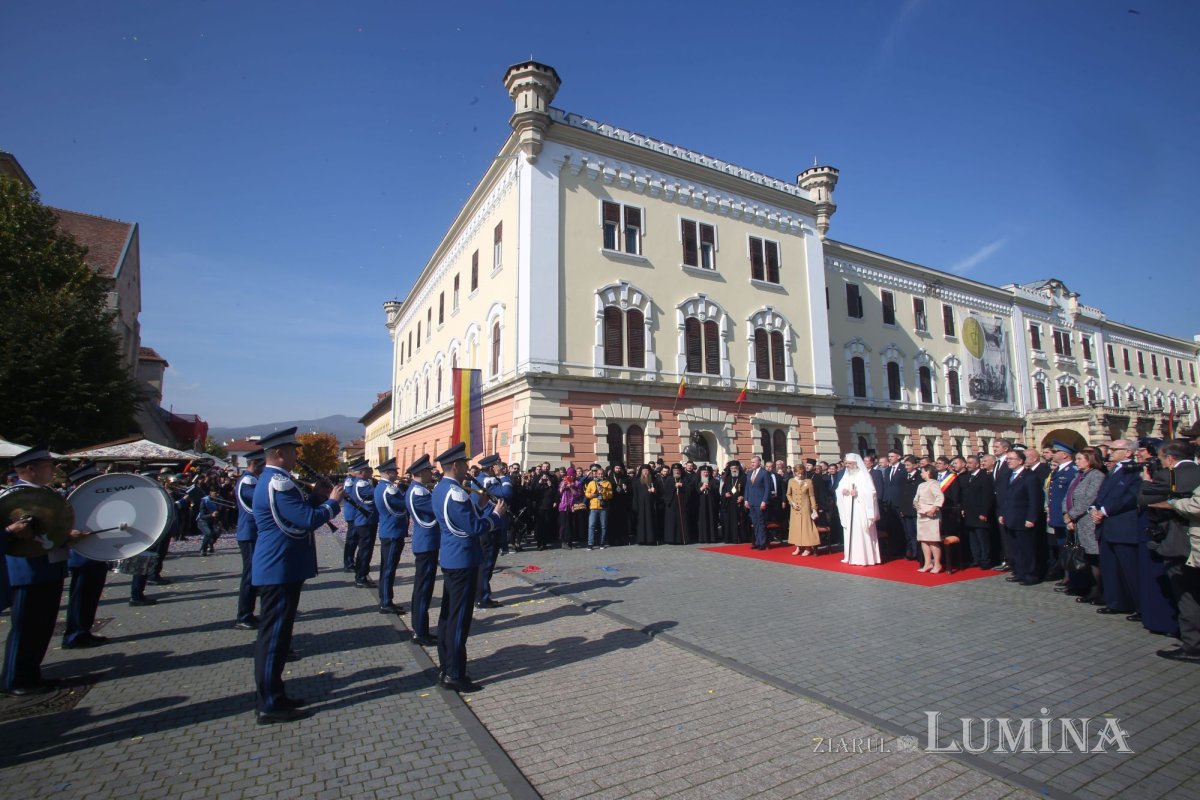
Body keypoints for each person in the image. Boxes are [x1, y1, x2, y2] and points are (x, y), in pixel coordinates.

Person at [251, 427, 345, 724]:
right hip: (279, 566)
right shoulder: (278, 482)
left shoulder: (277, 480)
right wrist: (332, 502)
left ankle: (276, 695)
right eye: (293, 450)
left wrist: (316, 498)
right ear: (279, 453)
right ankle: (269, 704)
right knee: (274, 639)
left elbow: (297, 513)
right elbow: (305, 521)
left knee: (279, 637)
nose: (296, 455)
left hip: (283, 565)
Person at [2, 445, 95, 694]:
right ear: (30, 469)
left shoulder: (45, 493)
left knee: (41, 627)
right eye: (47, 466)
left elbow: (51, 531)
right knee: (25, 628)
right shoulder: (12, 496)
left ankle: (32, 674)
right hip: (28, 570)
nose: (53, 470)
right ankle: (14, 680)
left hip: (50, 567)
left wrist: (68, 535)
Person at [431, 443, 505, 693]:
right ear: (455, 465)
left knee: (448, 616)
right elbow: (474, 528)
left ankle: (446, 666)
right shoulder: (457, 493)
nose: (467, 467)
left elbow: (460, 520)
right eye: (464, 463)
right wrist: (495, 515)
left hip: (452, 558)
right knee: (459, 619)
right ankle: (455, 673)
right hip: (463, 560)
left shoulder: (441, 489)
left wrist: (481, 505)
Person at [1090, 440, 1143, 615]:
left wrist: (1105, 511)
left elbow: (1130, 497)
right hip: (1106, 525)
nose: (1110, 451)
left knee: (1130, 569)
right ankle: (1116, 602)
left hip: (1122, 525)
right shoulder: (1114, 469)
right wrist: (1094, 508)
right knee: (1110, 567)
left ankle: (1139, 606)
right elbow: (1102, 493)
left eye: (1114, 449)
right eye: (1110, 448)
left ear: (1128, 452)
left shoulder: (1135, 470)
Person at [62, 462, 110, 649]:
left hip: (96, 553)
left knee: (91, 597)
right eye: (91, 478)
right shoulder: (70, 500)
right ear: (82, 481)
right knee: (80, 597)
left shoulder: (93, 498)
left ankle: (84, 631)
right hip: (81, 555)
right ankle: (74, 636)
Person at [1063, 448, 1107, 604]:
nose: (1076, 462)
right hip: (1075, 522)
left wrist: (1071, 515)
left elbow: (1089, 498)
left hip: (1088, 521)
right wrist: (1067, 515)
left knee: (1093, 557)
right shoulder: (1079, 476)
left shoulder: (1097, 476)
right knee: (1083, 557)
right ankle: (1088, 588)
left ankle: (1099, 591)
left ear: (1090, 460)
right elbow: (1068, 497)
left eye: (1080, 459)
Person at [996, 448, 1045, 586]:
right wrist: (1002, 514)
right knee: (1015, 548)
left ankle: (1031, 575)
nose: (1008, 461)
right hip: (1010, 518)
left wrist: (1031, 518)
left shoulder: (1030, 477)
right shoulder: (1008, 475)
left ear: (1020, 461)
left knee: (1027, 549)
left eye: (1011, 459)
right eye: (1007, 459)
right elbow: (1005, 497)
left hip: (1024, 518)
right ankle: (1019, 572)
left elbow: (1035, 499)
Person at [405, 454, 439, 646]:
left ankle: (421, 629)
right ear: (420, 472)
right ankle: (419, 631)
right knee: (423, 589)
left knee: (424, 588)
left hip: (427, 542)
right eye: (428, 470)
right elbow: (437, 509)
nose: (431, 472)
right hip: (426, 544)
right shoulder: (419, 493)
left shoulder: (421, 490)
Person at [474, 454, 512, 608]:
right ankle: (482, 597)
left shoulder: (484, 479)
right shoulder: (487, 481)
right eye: (498, 465)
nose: (500, 467)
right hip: (489, 526)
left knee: (486, 564)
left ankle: (482, 594)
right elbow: (507, 492)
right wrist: (503, 475)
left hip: (491, 525)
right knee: (486, 564)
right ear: (492, 468)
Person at [234, 449, 265, 629]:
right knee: (250, 576)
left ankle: (249, 613)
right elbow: (260, 501)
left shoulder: (251, 480)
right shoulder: (248, 481)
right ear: (254, 464)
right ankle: (243, 616)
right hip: (249, 533)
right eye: (262, 464)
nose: (264, 468)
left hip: (251, 532)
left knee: (253, 575)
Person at [374, 458, 409, 615]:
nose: (396, 473)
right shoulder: (390, 489)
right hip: (393, 532)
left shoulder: (380, 487)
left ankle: (385, 598)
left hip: (387, 531)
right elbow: (405, 504)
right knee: (389, 569)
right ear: (388, 472)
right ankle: (386, 602)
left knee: (386, 567)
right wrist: (406, 489)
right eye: (394, 471)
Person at [835, 454, 881, 566]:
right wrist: (842, 491)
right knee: (851, 531)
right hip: (849, 508)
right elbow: (838, 489)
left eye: (850, 463)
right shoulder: (846, 475)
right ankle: (851, 556)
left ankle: (864, 558)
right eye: (846, 463)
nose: (847, 466)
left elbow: (872, 492)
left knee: (861, 532)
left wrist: (858, 493)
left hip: (860, 509)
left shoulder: (863, 475)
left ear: (856, 464)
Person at [1045, 441, 1078, 583]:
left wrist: (1069, 516)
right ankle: (1066, 576)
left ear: (1064, 455)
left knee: (1070, 547)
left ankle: (1071, 578)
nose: (1053, 454)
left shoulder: (1072, 471)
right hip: (1057, 516)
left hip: (1067, 517)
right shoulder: (1058, 470)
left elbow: (1072, 496)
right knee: (1062, 547)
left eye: (1056, 452)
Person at [346, 460, 378, 589]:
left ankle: (362, 575)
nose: (371, 472)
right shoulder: (362, 484)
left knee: (365, 550)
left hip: (366, 520)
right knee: (365, 551)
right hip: (365, 521)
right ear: (362, 472)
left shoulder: (363, 483)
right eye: (368, 470)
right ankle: (361, 577)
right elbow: (376, 494)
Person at [961, 454, 995, 569]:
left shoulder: (985, 477)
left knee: (982, 539)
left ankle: (985, 560)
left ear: (977, 464)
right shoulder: (968, 476)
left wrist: (984, 512)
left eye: (970, 463)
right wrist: (963, 508)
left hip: (980, 513)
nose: (968, 465)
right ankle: (976, 559)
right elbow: (965, 495)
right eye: (967, 463)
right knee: (973, 538)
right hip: (970, 513)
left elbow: (987, 496)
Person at [914, 464, 946, 573]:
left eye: (922, 471)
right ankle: (927, 563)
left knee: (932, 540)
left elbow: (940, 497)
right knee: (923, 540)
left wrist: (933, 509)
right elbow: (916, 498)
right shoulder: (921, 485)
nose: (921, 473)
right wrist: (916, 504)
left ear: (928, 472)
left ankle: (937, 564)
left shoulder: (934, 483)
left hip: (931, 515)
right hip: (921, 514)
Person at [786, 462, 820, 556]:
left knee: (806, 528)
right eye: (798, 473)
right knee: (796, 527)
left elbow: (811, 495)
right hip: (795, 508)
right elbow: (788, 494)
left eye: (802, 473)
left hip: (805, 507)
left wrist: (814, 508)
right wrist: (792, 503)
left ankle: (808, 547)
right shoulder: (791, 481)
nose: (800, 475)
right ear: (795, 473)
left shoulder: (808, 481)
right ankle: (798, 547)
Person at [744, 456, 773, 550]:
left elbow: (767, 488)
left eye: (754, 462)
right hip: (751, 501)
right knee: (755, 522)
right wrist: (746, 499)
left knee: (761, 522)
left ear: (759, 463)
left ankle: (762, 543)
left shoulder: (764, 473)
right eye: (751, 462)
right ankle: (757, 541)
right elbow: (747, 487)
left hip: (760, 502)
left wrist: (764, 501)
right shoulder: (749, 473)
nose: (752, 464)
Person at [897, 457, 922, 563]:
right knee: (910, 533)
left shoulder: (920, 476)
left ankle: (920, 554)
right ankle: (913, 552)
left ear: (915, 465)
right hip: (906, 509)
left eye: (908, 465)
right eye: (905, 465)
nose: (906, 467)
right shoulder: (903, 476)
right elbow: (901, 494)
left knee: (918, 533)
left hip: (916, 509)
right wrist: (902, 509)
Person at [584, 464, 613, 550]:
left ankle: (602, 543)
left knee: (603, 526)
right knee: (591, 526)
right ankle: (590, 543)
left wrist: (603, 491)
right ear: (596, 474)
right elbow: (587, 493)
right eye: (599, 474)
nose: (600, 475)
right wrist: (593, 495)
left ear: (604, 474)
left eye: (602, 474)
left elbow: (610, 495)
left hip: (603, 507)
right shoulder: (592, 483)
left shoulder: (607, 483)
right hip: (593, 507)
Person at [662, 463, 691, 545]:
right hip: (671, 504)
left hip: (682, 504)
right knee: (671, 522)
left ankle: (681, 539)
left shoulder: (685, 479)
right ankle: (671, 539)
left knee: (681, 521)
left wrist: (682, 485)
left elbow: (690, 490)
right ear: (672, 471)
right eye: (675, 470)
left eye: (678, 470)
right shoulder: (669, 479)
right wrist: (674, 486)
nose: (676, 472)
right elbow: (665, 492)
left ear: (681, 470)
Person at [633, 464, 661, 545]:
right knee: (641, 523)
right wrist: (635, 506)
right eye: (644, 471)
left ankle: (650, 539)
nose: (645, 472)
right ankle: (641, 539)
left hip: (651, 506)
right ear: (641, 472)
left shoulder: (654, 481)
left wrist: (655, 491)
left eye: (647, 471)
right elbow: (634, 495)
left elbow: (659, 494)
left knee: (650, 522)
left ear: (650, 472)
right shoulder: (636, 481)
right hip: (640, 506)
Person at [719, 461, 745, 544]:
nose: (734, 470)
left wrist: (742, 497)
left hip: (739, 503)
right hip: (729, 504)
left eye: (735, 468)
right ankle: (729, 538)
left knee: (739, 521)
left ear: (738, 468)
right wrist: (725, 494)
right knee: (729, 521)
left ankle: (739, 538)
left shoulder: (743, 477)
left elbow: (747, 490)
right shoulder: (727, 478)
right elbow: (723, 491)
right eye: (732, 468)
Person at [557, 466, 583, 549]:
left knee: (571, 524)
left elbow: (578, 494)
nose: (571, 477)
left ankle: (570, 542)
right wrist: (563, 486)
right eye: (569, 475)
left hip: (573, 506)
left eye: (572, 475)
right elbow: (559, 493)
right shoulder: (563, 482)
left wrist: (571, 487)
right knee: (564, 524)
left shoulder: (577, 483)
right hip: (564, 506)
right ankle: (563, 542)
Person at [694, 464, 720, 543]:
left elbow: (717, 493)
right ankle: (702, 538)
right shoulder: (697, 481)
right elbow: (693, 493)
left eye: (707, 472)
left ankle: (712, 538)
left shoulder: (714, 481)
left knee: (711, 520)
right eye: (704, 472)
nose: (705, 474)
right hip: (700, 505)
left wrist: (710, 488)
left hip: (711, 505)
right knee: (702, 520)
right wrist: (701, 488)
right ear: (701, 473)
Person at [196, 488, 223, 556]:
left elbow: (219, 512)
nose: (217, 495)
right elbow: (202, 516)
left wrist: (219, 521)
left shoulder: (218, 500)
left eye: (218, 493)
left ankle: (210, 544)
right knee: (208, 533)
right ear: (210, 492)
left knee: (217, 531)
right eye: (215, 493)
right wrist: (211, 515)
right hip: (202, 521)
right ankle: (203, 549)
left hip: (212, 521)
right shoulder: (204, 501)